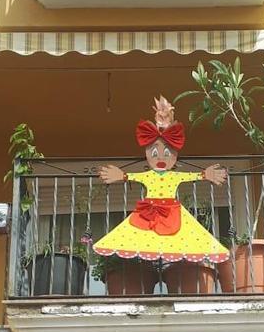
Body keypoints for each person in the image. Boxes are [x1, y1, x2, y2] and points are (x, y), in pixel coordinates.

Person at [93, 96, 230, 264]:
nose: (160, 159)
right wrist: (119, 176)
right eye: (154, 153)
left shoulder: (174, 176)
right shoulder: (148, 175)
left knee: (183, 237)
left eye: (167, 153)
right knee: (135, 235)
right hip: (148, 211)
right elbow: (130, 176)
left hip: (170, 211)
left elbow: (190, 176)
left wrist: (205, 175)